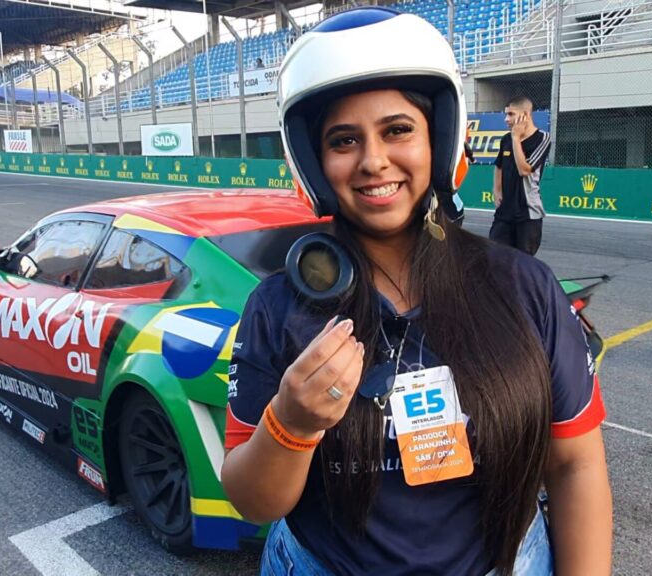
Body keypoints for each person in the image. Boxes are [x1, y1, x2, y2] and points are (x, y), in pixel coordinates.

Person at [221, 8, 612, 576]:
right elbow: (254, 502)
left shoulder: (524, 288)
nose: (373, 160)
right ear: (314, 161)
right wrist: (292, 424)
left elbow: (576, 466)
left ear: (438, 138)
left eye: (397, 130)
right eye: (344, 140)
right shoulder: (279, 307)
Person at [491, 96, 551, 256]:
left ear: (525, 114)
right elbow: (499, 166)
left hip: (528, 214)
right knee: (494, 258)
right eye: (506, 114)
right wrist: (496, 190)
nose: (506, 119)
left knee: (523, 264)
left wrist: (516, 138)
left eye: (511, 114)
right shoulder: (506, 139)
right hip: (504, 213)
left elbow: (524, 170)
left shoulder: (542, 138)